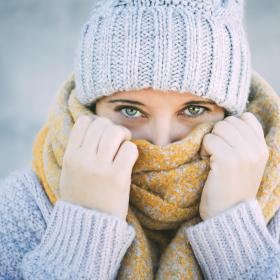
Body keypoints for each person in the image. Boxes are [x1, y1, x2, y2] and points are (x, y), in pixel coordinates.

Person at [1, 0, 280, 279]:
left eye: (194, 110)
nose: (162, 143)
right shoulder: (22, 207)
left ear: (231, 114)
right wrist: (84, 228)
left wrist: (235, 230)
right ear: (92, 108)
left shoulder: (273, 207)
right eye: (130, 110)